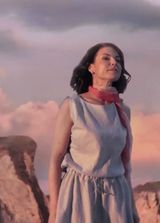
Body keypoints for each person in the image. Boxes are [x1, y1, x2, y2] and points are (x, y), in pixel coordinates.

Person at [48, 42, 139, 223]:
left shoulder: (122, 110)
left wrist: (132, 208)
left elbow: (125, 165)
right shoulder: (73, 106)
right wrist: (54, 211)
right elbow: (56, 159)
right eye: (106, 58)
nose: (114, 63)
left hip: (117, 196)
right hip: (79, 194)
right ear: (91, 68)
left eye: (118, 60)